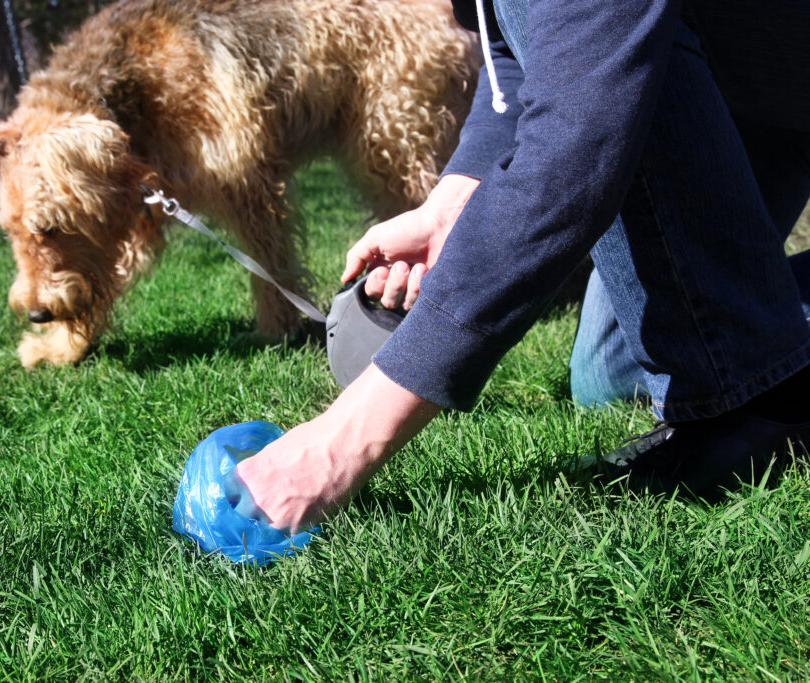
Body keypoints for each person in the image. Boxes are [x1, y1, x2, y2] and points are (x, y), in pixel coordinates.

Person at [232, 0, 810, 534]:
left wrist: (341, 443)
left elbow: (572, 159)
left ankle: (767, 396)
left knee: (723, 378)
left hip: (752, 86)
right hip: (725, 82)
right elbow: (519, 49)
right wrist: (451, 201)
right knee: (611, 376)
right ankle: (764, 339)